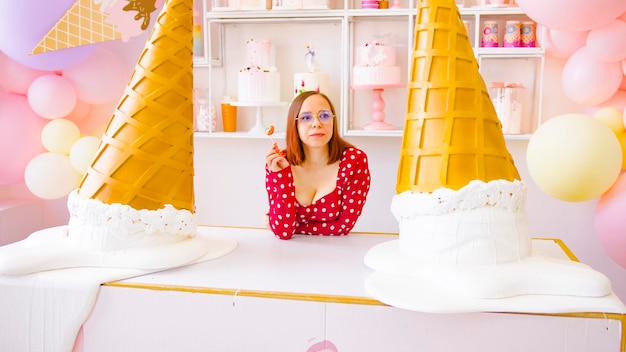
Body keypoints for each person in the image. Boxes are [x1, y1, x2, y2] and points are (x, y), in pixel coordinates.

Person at [265, 91, 371, 240]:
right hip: (289, 257)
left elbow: (344, 226)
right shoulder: (278, 163)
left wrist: (295, 227)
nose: (316, 123)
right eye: (306, 118)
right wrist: (282, 176)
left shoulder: (354, 161)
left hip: (339, 255)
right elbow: (283, 231)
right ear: (294, 124)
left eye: (325, 116)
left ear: (333, 121)